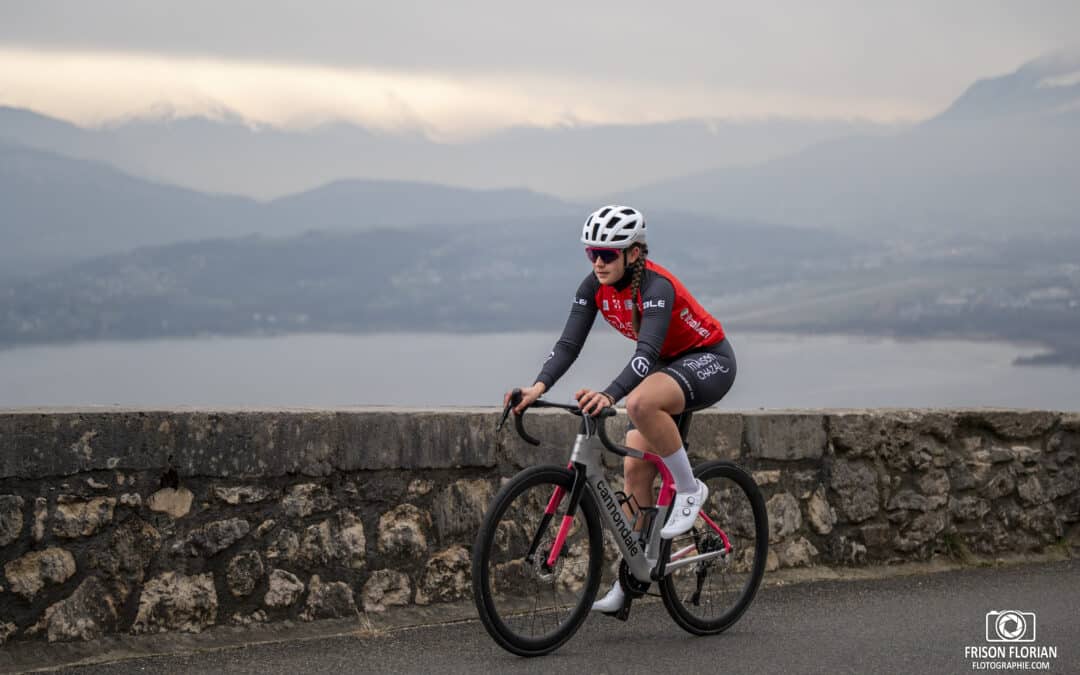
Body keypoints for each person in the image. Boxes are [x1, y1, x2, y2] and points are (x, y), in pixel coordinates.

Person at [504, 204, 737, 614]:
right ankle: (633, 578)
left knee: (641, 401)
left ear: (634, 253)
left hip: (708, 359)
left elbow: (646, 354)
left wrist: (610, 395)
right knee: (634, 468)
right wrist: (535, 386)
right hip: (668, 367)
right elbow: (568, 345)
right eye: (591, 252)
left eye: (608, 253)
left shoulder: (655, 288)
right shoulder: (593, 286)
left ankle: (689, 489)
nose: (598, 261)